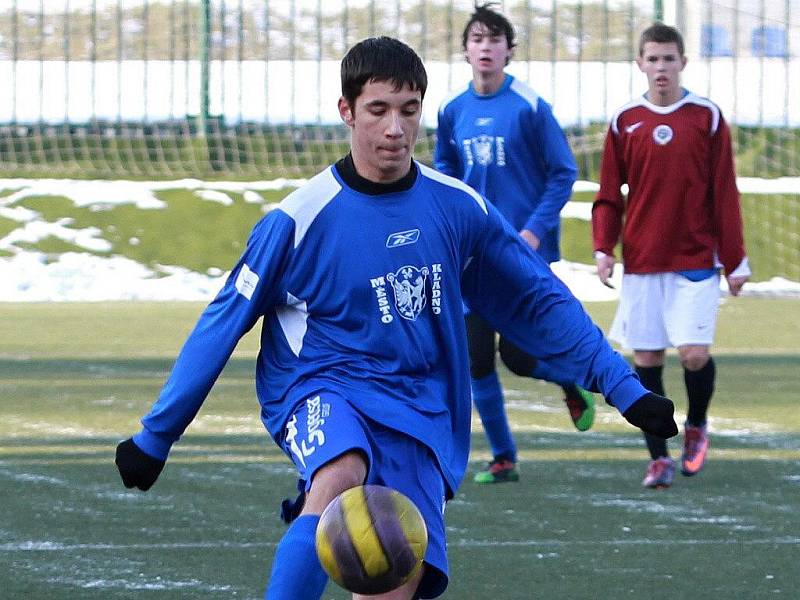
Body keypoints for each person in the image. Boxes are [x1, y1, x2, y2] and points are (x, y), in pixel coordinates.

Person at [115, 36, 678, 600]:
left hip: (421, 408)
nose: (395, 129)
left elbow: (539, 299)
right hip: (320, 383)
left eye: (409, 111)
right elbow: (222, 323)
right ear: (346, 111)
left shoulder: (458, 209)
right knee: (340, 473)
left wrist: (623, 388)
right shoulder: (297, 221)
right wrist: (155, 436)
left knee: (389, 573)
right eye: (378, 110)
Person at [434, 2, 595, 485]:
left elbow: (563, 172)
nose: (486, 47)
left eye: (495, 39)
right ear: (465, 50)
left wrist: (532, 230)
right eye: (477, 39)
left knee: (520, 359)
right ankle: (503, 457)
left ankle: (568, 377)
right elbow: (445, 170)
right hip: (474, 256)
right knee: (477, 358)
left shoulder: (530, 106)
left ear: (509, 51)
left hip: (525, 253)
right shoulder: (451, 110)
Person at [592, 23, 750, 490]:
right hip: (642, 260)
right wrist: (604, 246)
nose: (661, 68)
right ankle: (659, 457)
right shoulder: (625, 120)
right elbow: (608, 194)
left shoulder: (706, 117)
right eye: (652, 59)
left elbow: (724, 191)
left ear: (683, 62)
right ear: (640, 64)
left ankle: (697, 425)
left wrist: (736, 259)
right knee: (647, 360)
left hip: (696, 259)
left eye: (669, 59)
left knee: (694, 355)